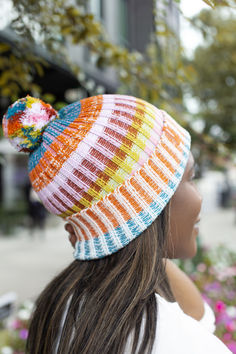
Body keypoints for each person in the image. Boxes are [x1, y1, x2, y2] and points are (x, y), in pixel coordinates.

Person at [2, 95, 231, 354]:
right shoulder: (184, 343)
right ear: (148, 203)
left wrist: (115, 232)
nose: (200, 197)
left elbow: (200, 319)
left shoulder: (61, 309)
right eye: (190, 178)